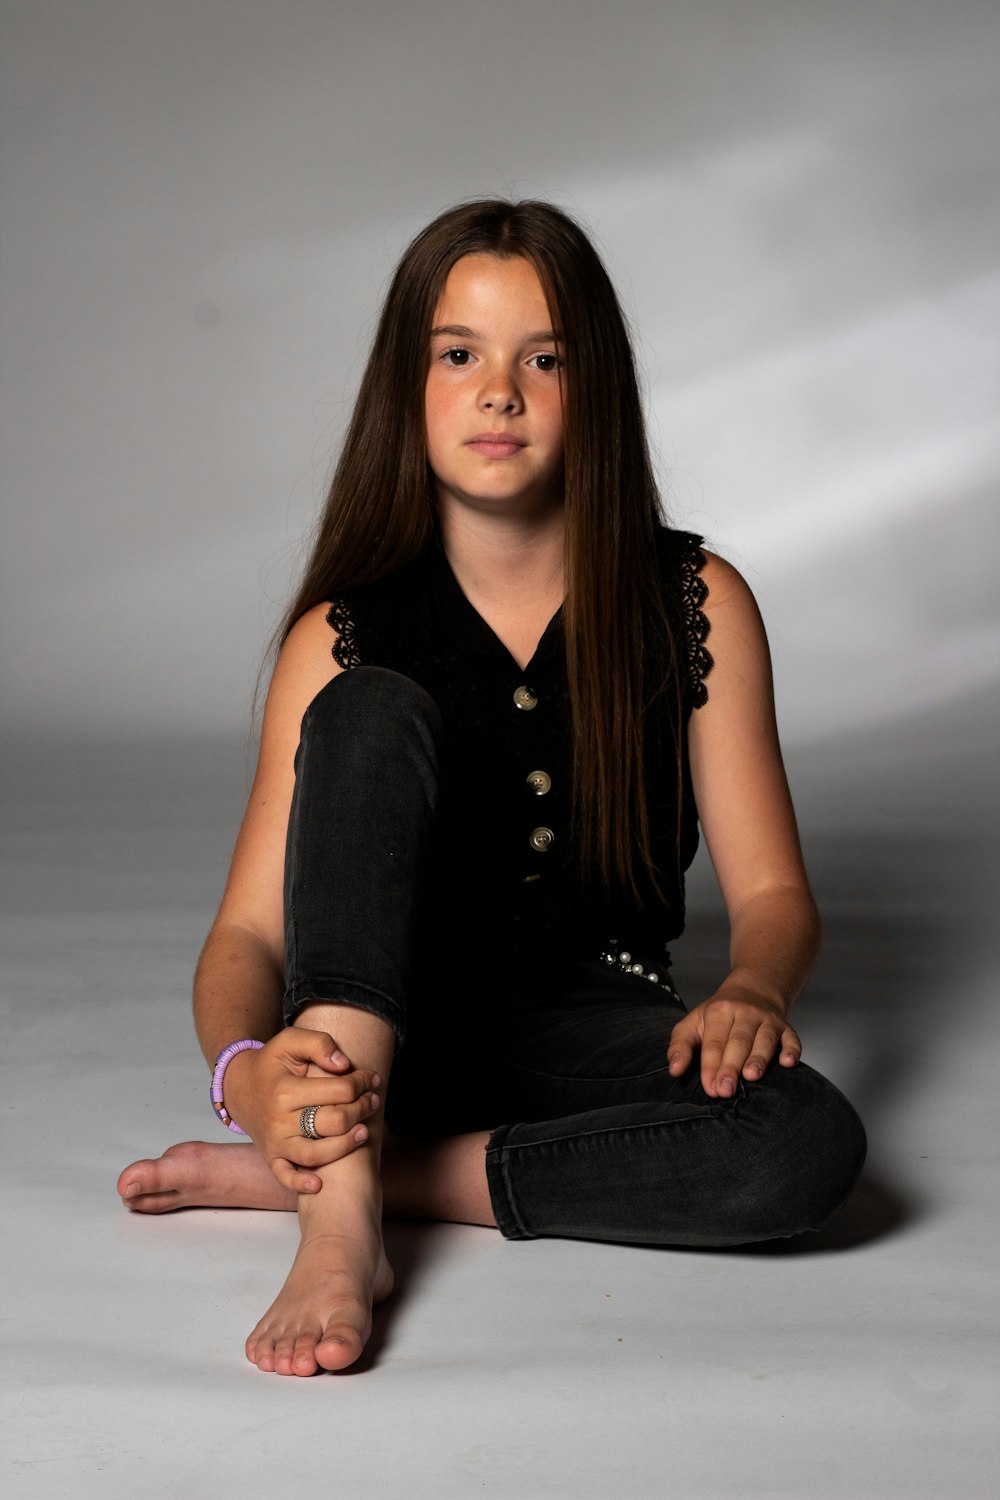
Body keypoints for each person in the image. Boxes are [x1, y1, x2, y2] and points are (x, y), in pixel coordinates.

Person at [117, 199, 866, 1377]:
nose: (499, 391)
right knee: (364, 707)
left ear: (595, 388)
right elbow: (248, 933)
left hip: (587, 1028)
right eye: (458, 353)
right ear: (406, 390)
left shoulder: (696, 602)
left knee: (804, 1143)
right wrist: (246, 1072)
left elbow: (774, 892)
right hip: (382, 1039)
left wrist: (753, 990)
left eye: (544, 358)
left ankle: (350, 1173)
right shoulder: (343, 633)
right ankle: (339, 1224)